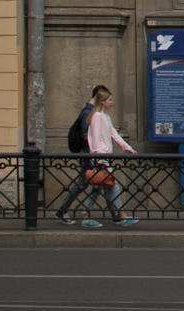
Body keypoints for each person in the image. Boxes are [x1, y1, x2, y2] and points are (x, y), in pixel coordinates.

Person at [57, 84, 138, 229]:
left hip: (103, 157)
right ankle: (120, 217)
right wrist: (98, 158)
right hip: (100, 157)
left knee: (97, 188)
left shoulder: (105, 117)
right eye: (110, 100)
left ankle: (91, 216)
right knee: (112, 187)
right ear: (102, 101)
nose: (112, 102)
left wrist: (128, 148)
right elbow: (93, 139)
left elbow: (114, 134)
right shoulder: (96, 117)